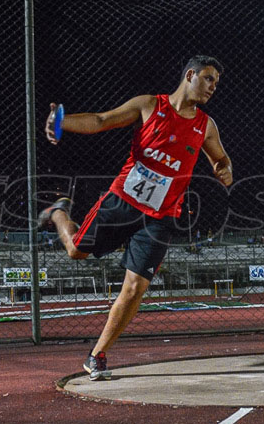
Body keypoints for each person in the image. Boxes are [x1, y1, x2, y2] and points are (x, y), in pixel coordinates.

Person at [40, 56, 231, 380]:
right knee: (76, 251)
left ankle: (97, 355)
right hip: (122, 202)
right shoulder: (148, 106)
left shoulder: (205, 125)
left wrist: (224, 168)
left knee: (134, 289)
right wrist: (62, 121)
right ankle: (58, 213)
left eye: (216, 82)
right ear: (190, 75)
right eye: (209, 79)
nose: (214, 87)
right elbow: (101, 120)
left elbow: (221, 157)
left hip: (161, 217)